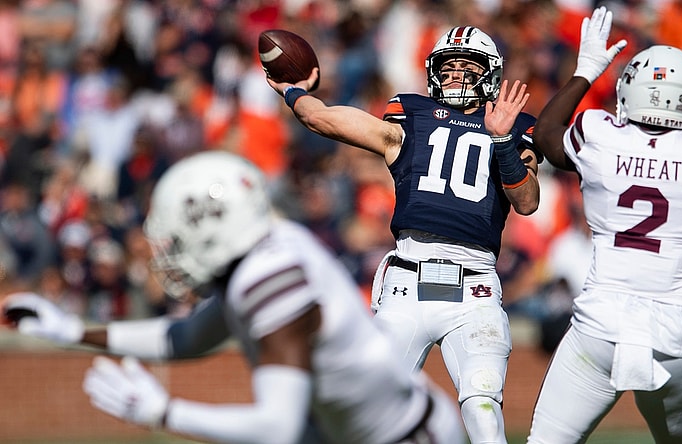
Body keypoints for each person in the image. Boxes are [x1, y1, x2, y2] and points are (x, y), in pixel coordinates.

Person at [2, 150, 466, 444]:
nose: (171, 254)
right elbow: (184, 339)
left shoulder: (272, 283)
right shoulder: (264, 254)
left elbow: (275, 428)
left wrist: (162, 412)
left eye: (179, 239)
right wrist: (70, 330)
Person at [266, 26, 542, 443]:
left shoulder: (515, 126)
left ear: (490, 75)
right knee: (365, 406)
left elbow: (527, 201)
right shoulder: (409, 118)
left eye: (467, 67)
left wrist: (502, 140)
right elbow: (321, 118)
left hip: (475, 289)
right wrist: (294, 90)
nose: (455, 75)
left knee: (483, 411)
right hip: (407, 283)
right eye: (448, 68)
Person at [527, 6, 682, 444]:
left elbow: (546, 134)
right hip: (674, 334)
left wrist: (585, 70)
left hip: (599, 326)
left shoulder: (600, 132)